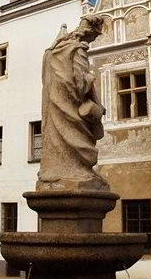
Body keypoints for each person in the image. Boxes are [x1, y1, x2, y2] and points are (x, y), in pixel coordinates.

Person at [38, 16, 108, 191]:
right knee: (75, 142)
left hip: (53, 107)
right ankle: (77, 171)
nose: (93, 40)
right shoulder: (77, 49)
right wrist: (91, 79)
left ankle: (55, 171)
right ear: (90, 33)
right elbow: (79, 85)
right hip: (70, 111)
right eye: (94, 37)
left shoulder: (52, 51)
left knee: (56, 140)